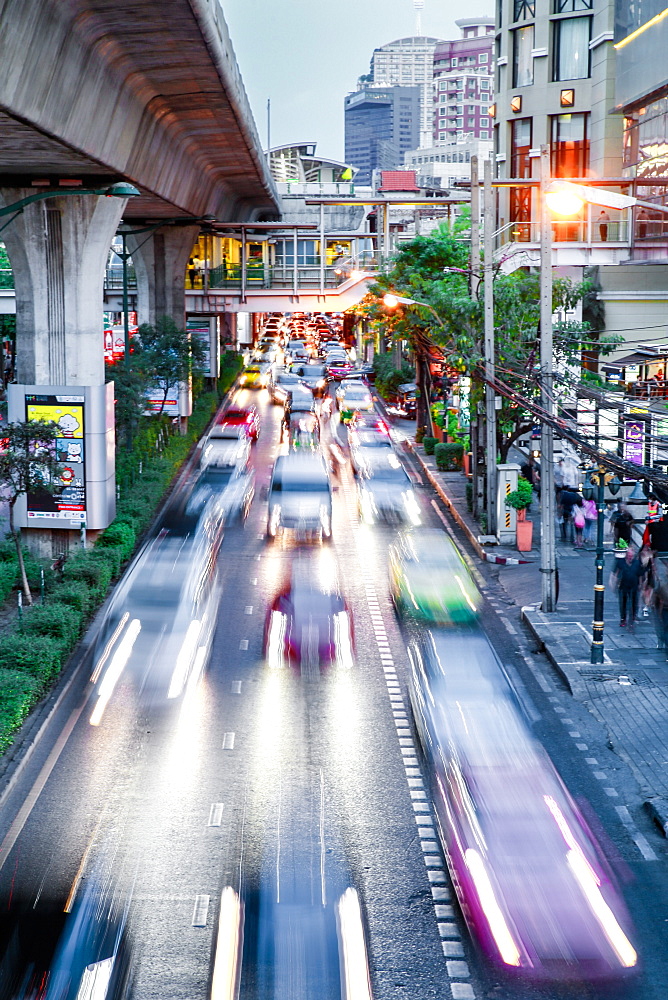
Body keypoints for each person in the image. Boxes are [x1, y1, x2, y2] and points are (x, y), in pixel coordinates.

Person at [612, 544, 644, 629]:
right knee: (623, 603)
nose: (630, 557)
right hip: (623, 586)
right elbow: (616, 573)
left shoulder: (637, 563)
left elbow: (640, 575)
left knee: (634, 602)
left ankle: (632, 618)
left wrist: (641, 585)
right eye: (629, 555)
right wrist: (614, 583)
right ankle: (623, 619)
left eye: (631, 555)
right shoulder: (621, 562)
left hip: (634, 586)